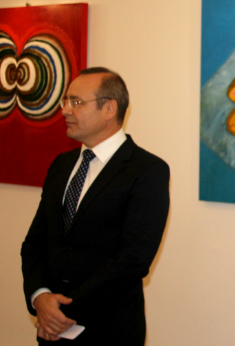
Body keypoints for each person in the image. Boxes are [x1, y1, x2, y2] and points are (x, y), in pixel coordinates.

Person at [21, 67, 170, 345]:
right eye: (66, 101)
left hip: (108, 331)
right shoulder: (61, 165)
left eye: (76, 102)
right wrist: (40, 296)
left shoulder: (147, 170)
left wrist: (61, 311)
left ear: (109, 109)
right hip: (51, 329)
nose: (65, 110)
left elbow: (133, 260)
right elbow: (35, 242)